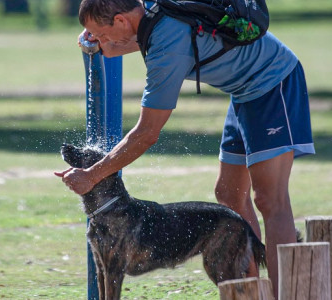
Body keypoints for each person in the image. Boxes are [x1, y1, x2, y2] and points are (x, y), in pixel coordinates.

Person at [54, 0, 314, 296]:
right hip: (243, 92)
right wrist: (102, 44)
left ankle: (289, 293)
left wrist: (92, 175)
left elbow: (146, 133)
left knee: (270, 200)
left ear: (122, 21)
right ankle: (250, 292)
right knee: (229, 194)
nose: (98, 42)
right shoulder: (150, 13)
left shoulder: (167, 47)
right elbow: (119, 46)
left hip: (273, 81)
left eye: (99, 34)